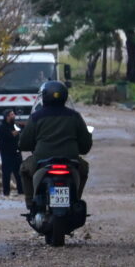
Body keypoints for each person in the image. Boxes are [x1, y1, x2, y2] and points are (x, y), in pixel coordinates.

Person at [17, 78, 95, 210]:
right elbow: (86, 145)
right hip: (71, 161)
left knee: (24, 169)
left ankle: (31, 203)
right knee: (84, 168)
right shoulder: (75, 116)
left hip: (41, 161)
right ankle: (76, 199)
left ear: (44, 97)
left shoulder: (36, 117)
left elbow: (24, 143)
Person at [0, 108, 22, 196]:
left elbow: (18, 131)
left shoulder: (14, 125)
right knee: (6, 174)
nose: (13, 116)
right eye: (11, 114)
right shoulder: (2, 127)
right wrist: (18, 130)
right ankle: (6, 192)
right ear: (7, 117)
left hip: (16, 153)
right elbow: (11, 135)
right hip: (6, 153)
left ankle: (21, 190)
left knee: (19, 173)